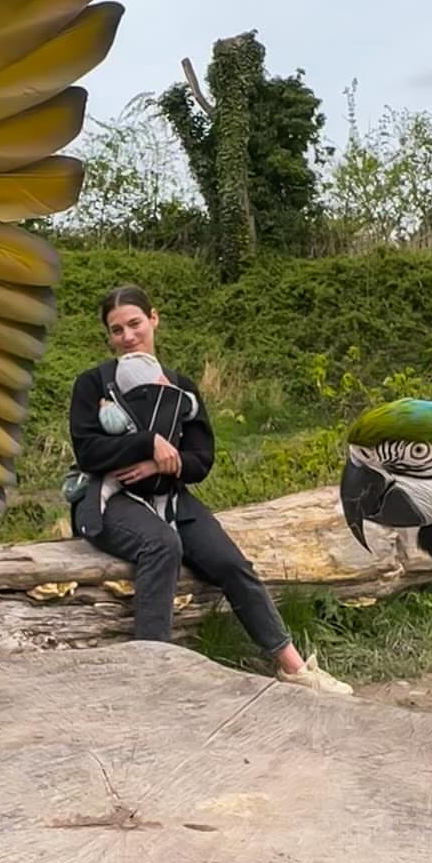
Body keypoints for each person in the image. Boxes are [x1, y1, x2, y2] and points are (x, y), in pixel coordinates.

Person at [67, 285, 353, 695]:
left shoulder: (182, 387)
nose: (128, 336)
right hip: (108, 499)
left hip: (169, 495)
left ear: (154, 319)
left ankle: (292, 666)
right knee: (161, 545)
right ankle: (153, 672)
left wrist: (166, 462)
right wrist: (147, 443)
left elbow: (202, 457)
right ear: (109, 337)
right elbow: (89, 451)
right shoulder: (93, 384)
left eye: (134, 324)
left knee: (231, 563)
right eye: (116, 330)